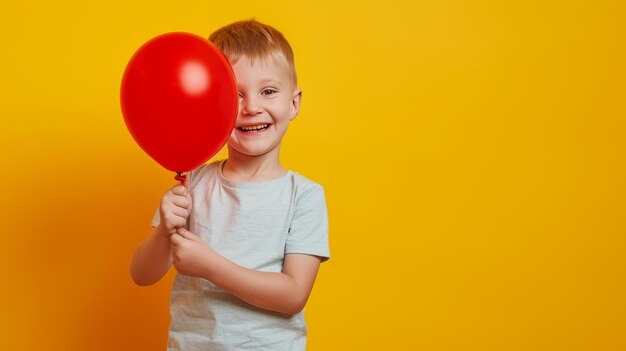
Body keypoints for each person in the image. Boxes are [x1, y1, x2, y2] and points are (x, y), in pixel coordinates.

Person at [129, 19, 330, 350]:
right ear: (213, 103)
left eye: (268, 91)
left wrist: (211, 266)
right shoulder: (194, 182)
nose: (251, 108)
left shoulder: (304, 196)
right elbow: (142, 274)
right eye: (236, 95)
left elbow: (293, 294)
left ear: (293, 103)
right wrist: (163, 231)